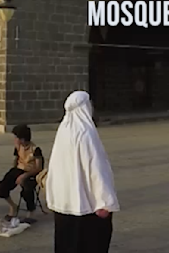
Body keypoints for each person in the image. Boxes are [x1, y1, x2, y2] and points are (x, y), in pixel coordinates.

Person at [47, 91, 119, 253]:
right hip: (86, 204)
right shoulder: (86, 134)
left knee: (67, 243)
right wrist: (104, 201)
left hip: (64, 202)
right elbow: (95, 169)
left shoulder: (63, 130)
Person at [0, 124, 44, 224]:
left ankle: (31, 212)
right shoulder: (18, 147)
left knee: (27, 189)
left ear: (22, 139)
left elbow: (38, 168)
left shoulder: (35, 149)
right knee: (1, 186)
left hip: (31, 172)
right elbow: (16, 160)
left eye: (16, 137)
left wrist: (24, 176)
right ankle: (12, 206)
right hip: (19, 169)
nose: (15, 139)